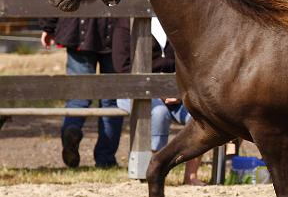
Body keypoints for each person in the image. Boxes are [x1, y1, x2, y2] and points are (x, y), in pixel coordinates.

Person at [112, 18, 204, 185]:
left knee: (199, 116)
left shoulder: (173, 20)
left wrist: (177, 91)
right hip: (135, 89)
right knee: (159, 113)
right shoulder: (125, 24)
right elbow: (122, 66)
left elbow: (188, 63)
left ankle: (191, 176)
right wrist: (159, 91)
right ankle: (155, 172)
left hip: (175, 90)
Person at [40, 16, 122, 168]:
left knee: (78, 97)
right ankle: (105, 159)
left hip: (79, 29)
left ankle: (72, 128)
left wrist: (48, 26)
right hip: (115, 31)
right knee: (111, 101)